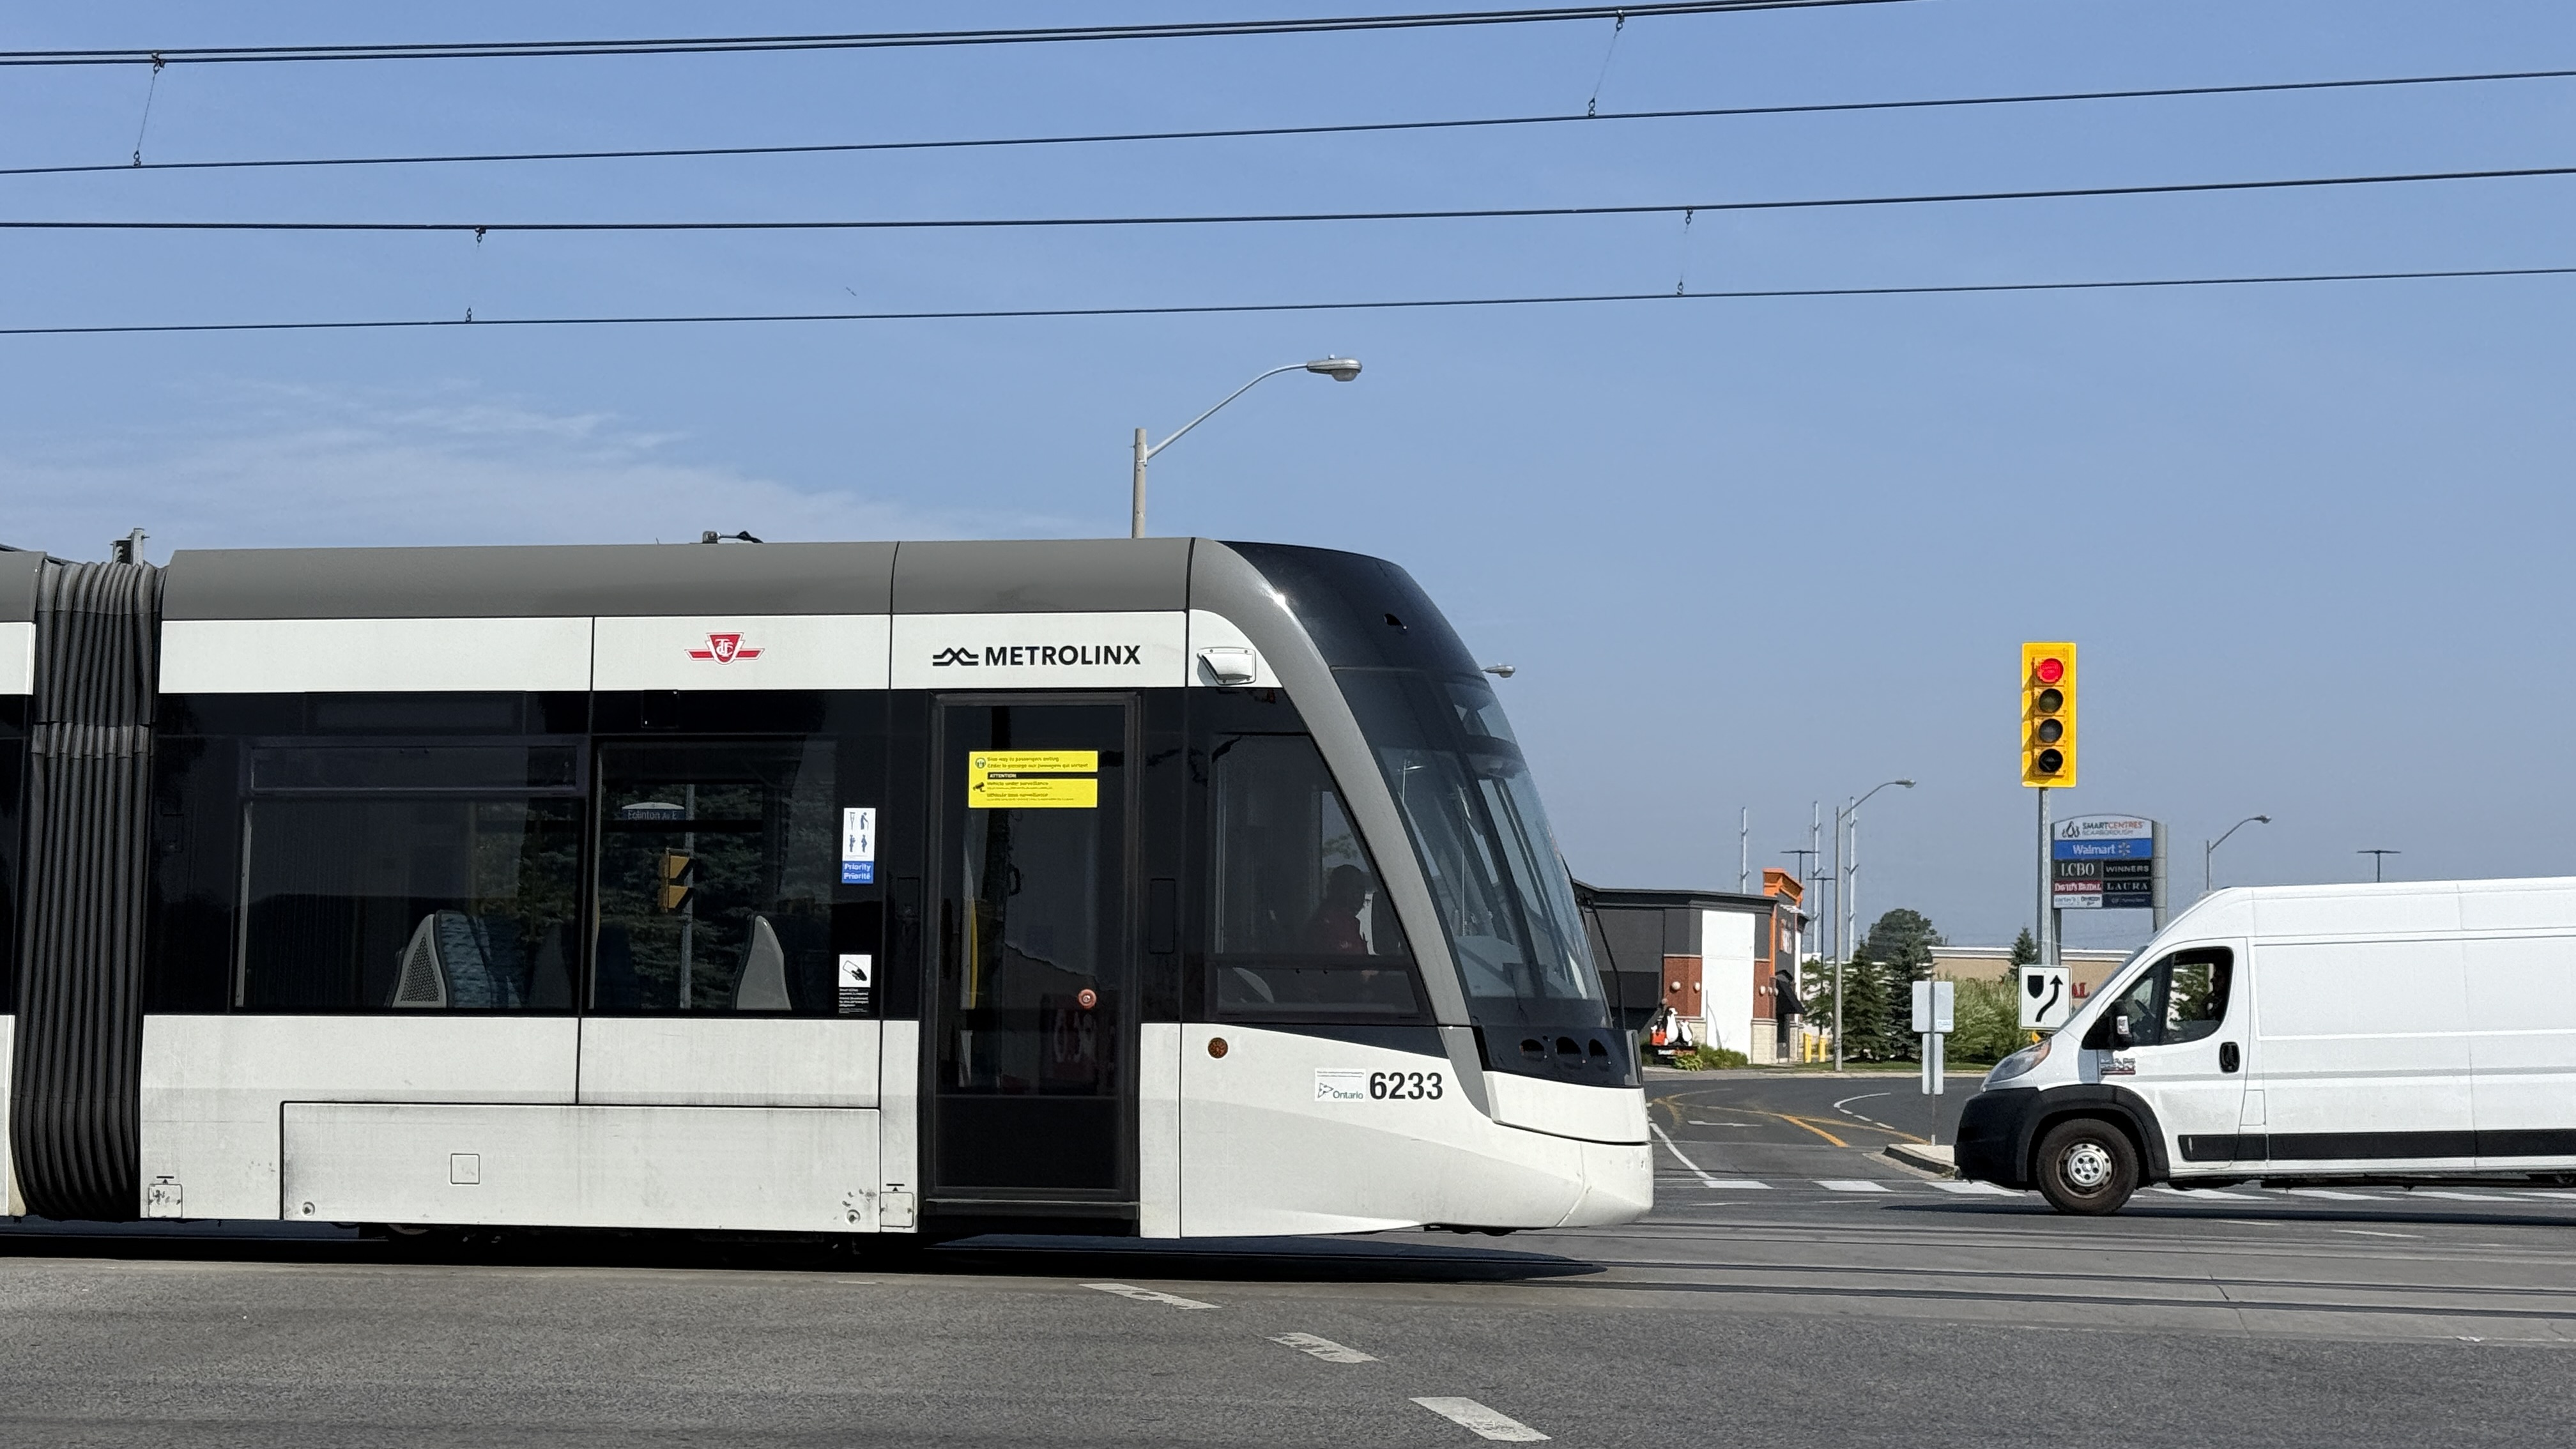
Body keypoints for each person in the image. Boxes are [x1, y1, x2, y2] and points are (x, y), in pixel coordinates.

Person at [1305, 864, 1371, 954]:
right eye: (1349, 887)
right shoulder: (1326, 926)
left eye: (1360, 889)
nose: (1357, 895)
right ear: (1332, 889)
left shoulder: (1351, 924)